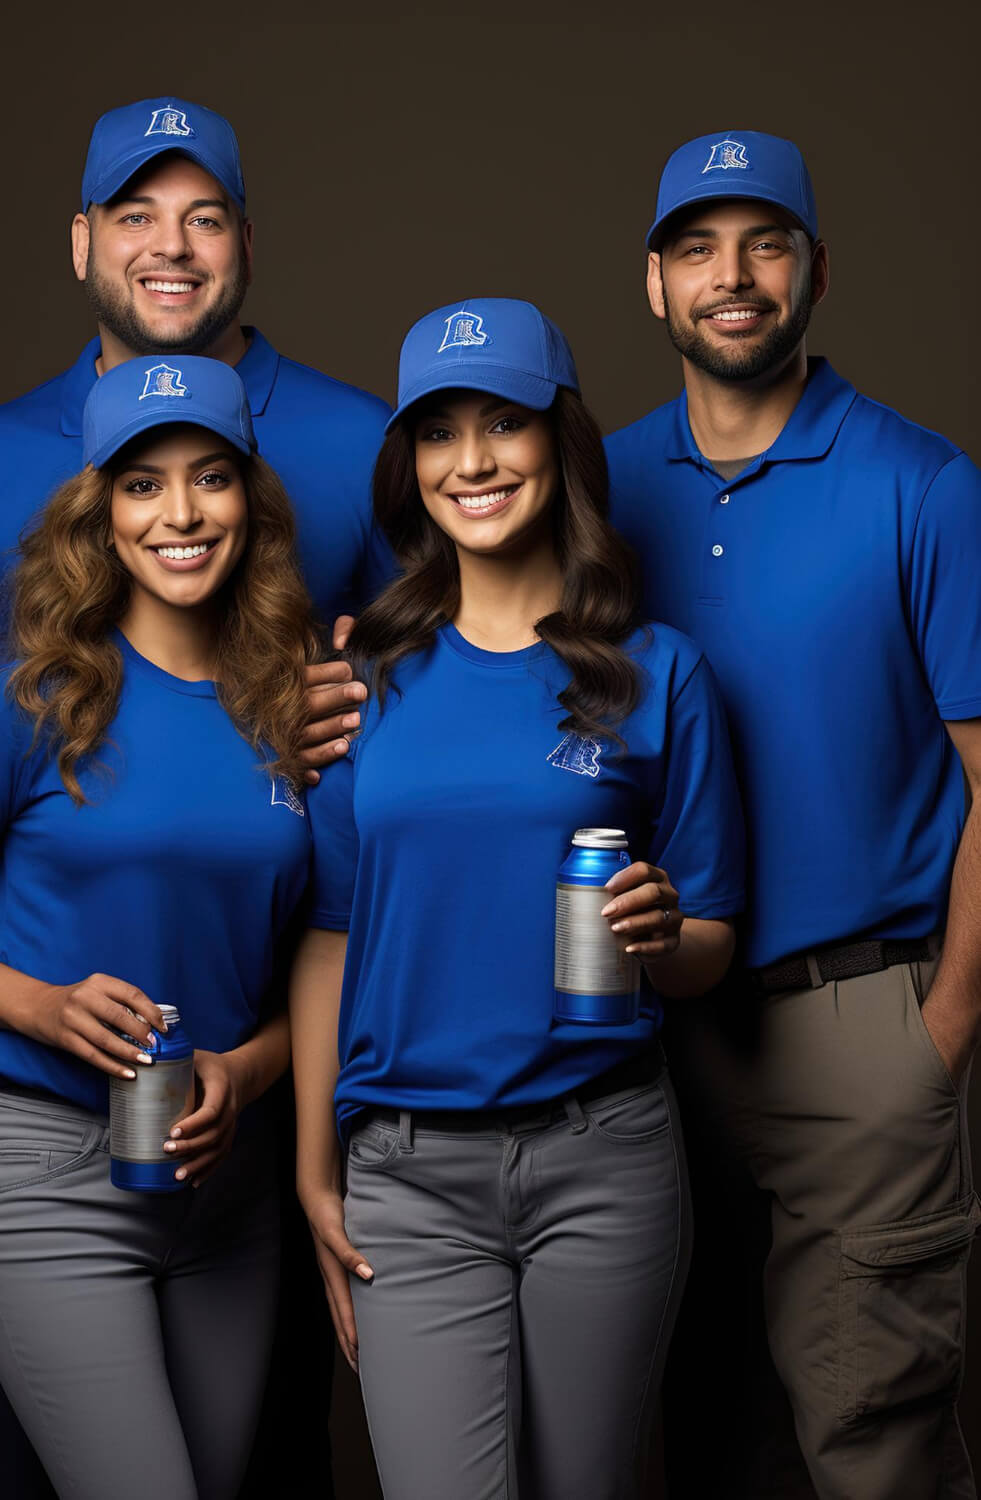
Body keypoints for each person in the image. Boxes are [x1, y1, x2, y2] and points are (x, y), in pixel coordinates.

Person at [0, 96, 378, 1499]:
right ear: (99, 515)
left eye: (210, 480)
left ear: (253, 501)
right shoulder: (34, 699)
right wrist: (27, 1010)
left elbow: (331, 937)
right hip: (49, 1144)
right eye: (142, 487)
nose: (179, 514)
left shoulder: (294, 716)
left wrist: (253, 1075)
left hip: (228, 1174)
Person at [290, 298, 746, 1499]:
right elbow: (330, 938)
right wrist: (313, 1170)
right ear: (409, 465)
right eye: (439, 434)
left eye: (504, 423)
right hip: (407, 1172)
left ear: (559, 441)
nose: (473, 462)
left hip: (604, 1159)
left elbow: (709, 944)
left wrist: (661, 933)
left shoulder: (658, 672)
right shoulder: (362, 682)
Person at [603, 130, 981, 1499]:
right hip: (648, 1042)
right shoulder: (596, 488)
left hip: (857, 1027)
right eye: (698, 249)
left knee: (872, 1451)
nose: (732, 277)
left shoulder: (921, 484)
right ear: (654, 282)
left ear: (814, 271)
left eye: (763, 244)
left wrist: (938, 1032)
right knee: (696, 1441)